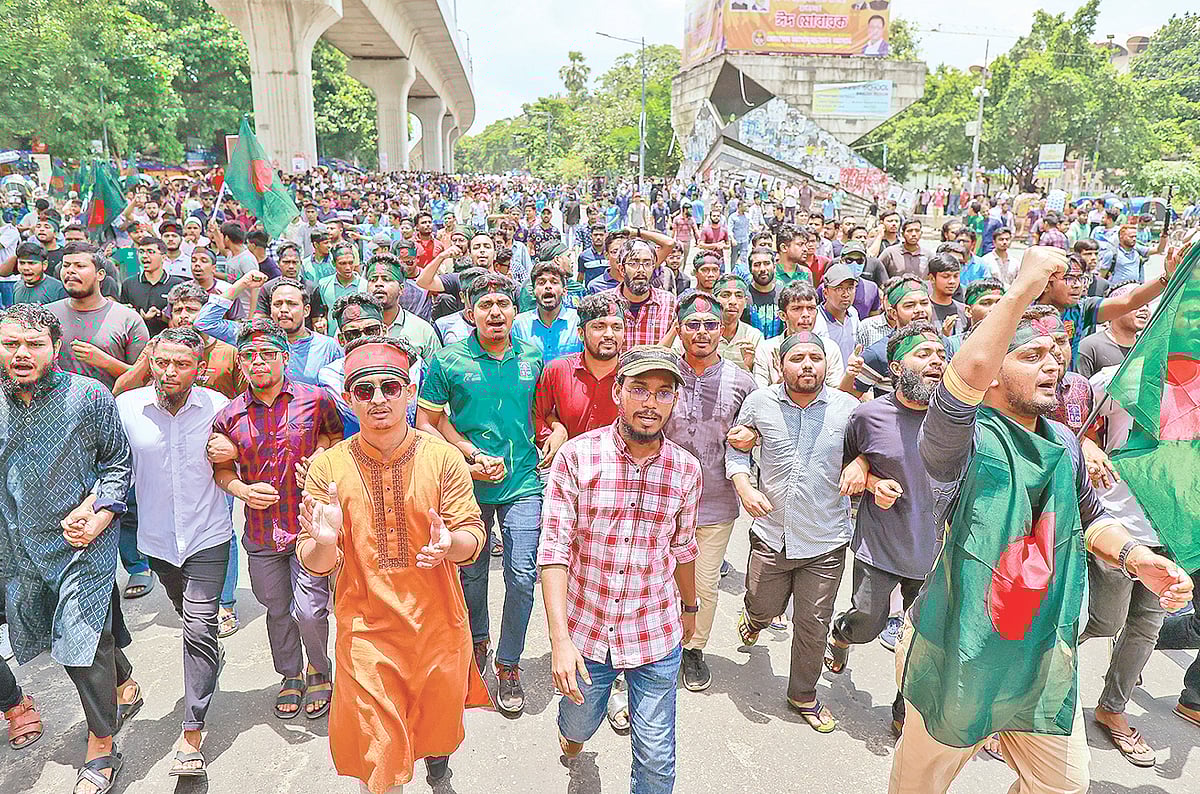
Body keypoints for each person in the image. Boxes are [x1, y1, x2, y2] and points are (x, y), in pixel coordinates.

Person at [888, 246, 1192, 794]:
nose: (1054, 364)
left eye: (1058, 352)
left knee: (1064, 786)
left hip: (1041, 652)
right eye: (1032, 355)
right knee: (920, 787)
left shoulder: (1066, 446)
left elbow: (1090, 518)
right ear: (994, 376)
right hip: (957, 643)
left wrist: (1138, 558)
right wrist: (1025, 285)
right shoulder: (956, 438)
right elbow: (966, 375)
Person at [299, 336, 490, 792]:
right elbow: (315, 560)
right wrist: (325, 542)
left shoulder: (443, 458)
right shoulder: (329, 467)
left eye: (390, 386)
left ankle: (436, 763)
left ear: (409, 390)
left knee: (432, 728)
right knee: (382, 761)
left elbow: (473, 537)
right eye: (365, 390)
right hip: (366, 633)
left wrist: (450, 545)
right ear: (349, 399)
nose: (379, 398)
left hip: (437, 627)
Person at [541, 345, 700, 791]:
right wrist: (559, 640)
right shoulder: (575, 458)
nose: (651, 403)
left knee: (656, 757)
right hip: (587, 633)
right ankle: (572, 736)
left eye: (663, 392)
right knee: (578, 723)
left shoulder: (686, 470)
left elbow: (684, 548)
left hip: (655, 631)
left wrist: (690, 608)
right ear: (618, 391)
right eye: (640, 389)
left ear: (674, 401)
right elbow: (553, 550)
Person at [0, 303, 141, 794]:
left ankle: (102, 747)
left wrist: (100, 511)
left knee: (80, 647)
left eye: (33, 344)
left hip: (84, 541)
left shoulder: (89, 396)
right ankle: (122, 680)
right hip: (18, 549)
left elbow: (118, 464)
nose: (21, 353)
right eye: (10, 343)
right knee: (84, 634)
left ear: (54, 349)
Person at [416, 272, 544, 716]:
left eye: (503, 304)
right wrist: (468, 454)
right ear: (469, 310)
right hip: (465, 485)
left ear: (514, 310)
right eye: (485, 303)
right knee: (469, 574)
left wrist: (556, 432)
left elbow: (542, 413)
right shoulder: (447, 360)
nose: (495, 312)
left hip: (524, 481)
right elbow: (427, 422)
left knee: (523, 576)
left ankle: (509, 664)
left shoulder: (533, 354)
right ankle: (476, 645)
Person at [209, 318, 343, 721]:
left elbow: (337, 438)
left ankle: (320, 669)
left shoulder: (315, 399)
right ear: (241, 363)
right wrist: (242, 491)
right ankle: (290, 675)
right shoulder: (229, 416)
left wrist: (321, 456)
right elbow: (221, 471)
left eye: (268, 354)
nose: (259, 362)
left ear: (284, 358)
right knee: (277, 608)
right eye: (250, 356)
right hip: (262, 530)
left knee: (310, 609)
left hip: (308, 525)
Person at [115, 326, 231, 779]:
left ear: (199, 369)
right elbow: (111, 465)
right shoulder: (127, 409)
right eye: (162, 361)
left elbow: (240, 456)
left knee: (198, 626)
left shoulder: (219, 408)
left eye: (181, 364)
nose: (169, 371)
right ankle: (206, 655)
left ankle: (191, 731)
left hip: (208, 536)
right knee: (189, 616)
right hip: (158, 542)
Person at [730, 330, 859, 733]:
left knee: (812, 621)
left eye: (815, 358)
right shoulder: (759, 402)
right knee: (763, 604)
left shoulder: (848, 409)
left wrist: (864, 466)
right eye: (798, 358)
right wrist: (745, 485)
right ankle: (755, 618)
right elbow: (736, 448)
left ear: (826, 364)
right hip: (771, 532)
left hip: (826, 539)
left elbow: (870, 450)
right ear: (779, 365)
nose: (807, 365)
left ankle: (803, 694)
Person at [826, 322, 947, 736]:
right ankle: (841, 635)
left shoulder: (956, 420)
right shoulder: (867, 414)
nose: (935, 361)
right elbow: (846, 463)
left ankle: (902, 710)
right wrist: (871, 478)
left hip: (935, 552)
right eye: (924, 354)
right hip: (881, 544)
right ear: (897, 366)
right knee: (868, 622)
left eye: (941, 355)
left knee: (921, 640)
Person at [664, 295, 756, 691]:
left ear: (723, 329)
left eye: (710, 324)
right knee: (656, 576)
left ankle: (692, 648)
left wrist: (752, 436)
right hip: (660, 498)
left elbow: (761, 430)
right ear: (679, 328)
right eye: (692, 324)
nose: (701, 332)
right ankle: (656, 643)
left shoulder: (742, 381)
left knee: (704, 583)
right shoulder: (663, 373)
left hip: (716, 501)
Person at [197, 274, 343, 385]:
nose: (284, 310)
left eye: (291, 304)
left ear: (306, 310)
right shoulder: (254, 337)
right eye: (278, 304)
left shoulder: (328, 347)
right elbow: (205, 322)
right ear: (270, 309)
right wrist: (242, 283)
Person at [753, 283, 844, 389]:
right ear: (783, 315)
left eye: (811, 308)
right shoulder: (767, 350)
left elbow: (835, 393)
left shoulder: (829, 348)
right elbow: (759, 394)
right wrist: (782, 383)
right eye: (797, 309)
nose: (806, 314)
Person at [600, 237, 678, 351]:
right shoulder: (604, 303)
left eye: (647, 263)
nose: (641, 270)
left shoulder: (669, 303)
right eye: (633, 263)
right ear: (622, 269)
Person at [513, 257, 581, 364]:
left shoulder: (577, 322)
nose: (548, 286)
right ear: (534, 291)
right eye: (541, 283)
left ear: (564, 291)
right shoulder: (519, 324)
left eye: (554, 282)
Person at [1076, 283, 1146, 379]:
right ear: (1115, 309)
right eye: (1137, 304)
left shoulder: (1148, 346)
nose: (1144, 309)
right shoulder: (1089, 348)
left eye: (1146, 304)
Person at [122, 236, 186, 338]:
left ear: (164, 257)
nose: (144, 256)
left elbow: (181, 318)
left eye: (150, 252)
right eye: (141, 252)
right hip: (135, 341)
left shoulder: (177, 285)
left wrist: (160, 315)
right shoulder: (129, 284)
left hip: (168, 342)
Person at [708, 275, 764, 372]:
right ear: (714, 300)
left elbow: (760, 380)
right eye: (726, 295)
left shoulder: (753, 336)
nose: (733, 301)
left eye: (739, 296)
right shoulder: (702, 332)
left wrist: (750, 366)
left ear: (746, 302)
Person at [317, 244, 367, 334]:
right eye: (342, 263)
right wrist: (323, 322)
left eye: (350, 263)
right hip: (333, 339)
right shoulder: (323, 285)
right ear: (333, 263)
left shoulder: (365, 286)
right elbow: (325, 311)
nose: (348, 267)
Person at [819, 262, 861, 364]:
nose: (846, 294)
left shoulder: (853, 313)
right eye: (839, 289)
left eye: (850, 288)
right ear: (825, 293)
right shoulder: (815, 320)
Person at [925, 253, 968, 335]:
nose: (952, 281)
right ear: (932, 278)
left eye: (956, 276)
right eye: (946, 276)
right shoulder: (924, 311)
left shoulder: (963, 310)